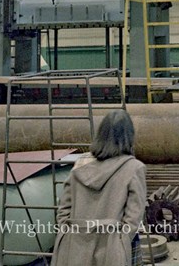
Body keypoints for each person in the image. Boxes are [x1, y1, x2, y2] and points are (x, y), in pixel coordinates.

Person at [52, 109, 147, 266]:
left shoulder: (81, 164)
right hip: (112, 249)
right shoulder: (134, 168)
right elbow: (134, 217)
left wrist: (69, 233)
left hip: (75, 247)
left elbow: (63, 209)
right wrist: (120, 242)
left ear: (100, 134)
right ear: (129, 137)